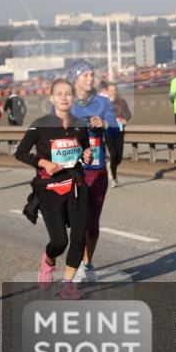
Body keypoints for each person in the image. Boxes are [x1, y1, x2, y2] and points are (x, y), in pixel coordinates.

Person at [15, 78, 93, 300]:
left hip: (75, 186)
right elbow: (20, 153)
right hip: (50, 188)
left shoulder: (80, 124)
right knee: (60, 242)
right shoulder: (40, 124)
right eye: (59, 94)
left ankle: (67, 284)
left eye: (68, 93)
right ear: (51, 98)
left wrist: (86, 156)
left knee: (79, 237)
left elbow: (85, 152)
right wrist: (44, 163)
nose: (64, 98)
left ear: (73, 97)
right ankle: (48, 261)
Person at [66, 60, 120, 282]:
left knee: (93, 221)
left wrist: (105, 125)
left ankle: (88, 264)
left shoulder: (103, 102)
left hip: (97, 170)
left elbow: (116, 131)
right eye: (85, 75)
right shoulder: (65, 102)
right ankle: (75, 264)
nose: (90, 79)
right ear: (75, 78)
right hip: (74, 170)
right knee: (78, 220)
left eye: (92, 75)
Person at [106, 82, 132, 187]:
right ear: (107, 92)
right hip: (108, 131)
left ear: (117, 91)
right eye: (110, 91)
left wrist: (125, 119)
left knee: (119, 158)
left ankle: (111, 165)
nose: (113, 92)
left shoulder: (122, 102)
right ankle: (114, 179)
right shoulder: (104, 103)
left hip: (119, 131)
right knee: (113, 155)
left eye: (114, 90)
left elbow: (129, 114)